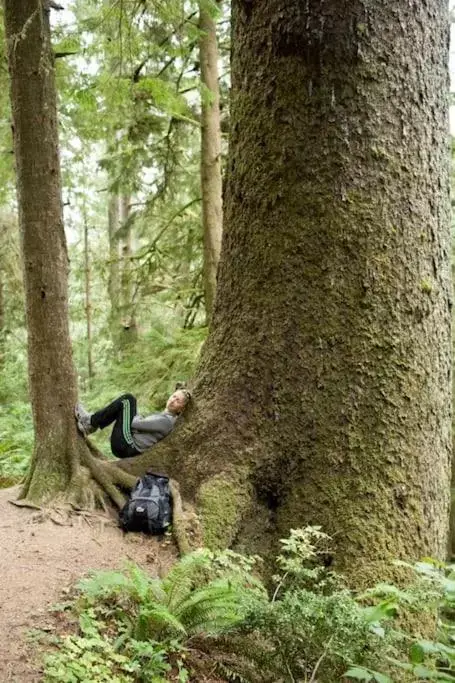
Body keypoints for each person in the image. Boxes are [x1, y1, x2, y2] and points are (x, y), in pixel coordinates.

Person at [74, 388, 191, 459]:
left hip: (127, 446)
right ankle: (90, 423)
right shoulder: (163, 417)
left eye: (178, 401)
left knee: (128, 400)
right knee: (128, 403)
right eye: (174, 396)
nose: (173, 400)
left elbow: (133, 423)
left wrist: (136, 419)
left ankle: (90, 423)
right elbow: (138, 423)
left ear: (181, 409)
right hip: (127, 445)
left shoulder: (166, 422)